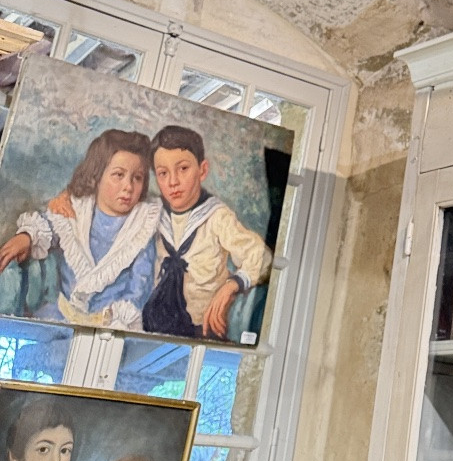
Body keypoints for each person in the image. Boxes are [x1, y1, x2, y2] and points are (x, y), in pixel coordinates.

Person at [0, 131, 159, 330]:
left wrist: (116, 322)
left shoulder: (142, 226)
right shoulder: (76, 209)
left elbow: (139, 286)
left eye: (137, 178)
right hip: (59, 315)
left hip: (108, 328)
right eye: (118, 175)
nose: (128, 186)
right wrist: (27, 237)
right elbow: (51, 225)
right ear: (98, 175)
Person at [141, 126, 271, 339]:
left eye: (183, 169)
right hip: (156, 323)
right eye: (163, 173)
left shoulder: (216, 216)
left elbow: (261, 256)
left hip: (202, 328)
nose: (173, 181)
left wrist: (232, 285)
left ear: (202, 170)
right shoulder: (153, 213)